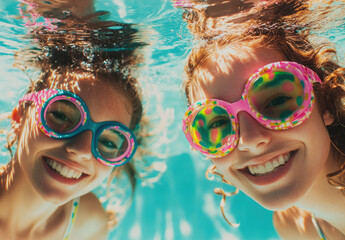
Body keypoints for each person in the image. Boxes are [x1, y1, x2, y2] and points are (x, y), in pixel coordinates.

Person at [180, 1, 345, 239]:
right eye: (217, 124)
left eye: (276, 101)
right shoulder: (294, 228)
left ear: (326, 101)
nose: (250, 139)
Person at [0, 2, 149, 239]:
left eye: (109, 143)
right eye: (61, 116)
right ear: (20, 116)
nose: (81, 150)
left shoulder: (88, 226)